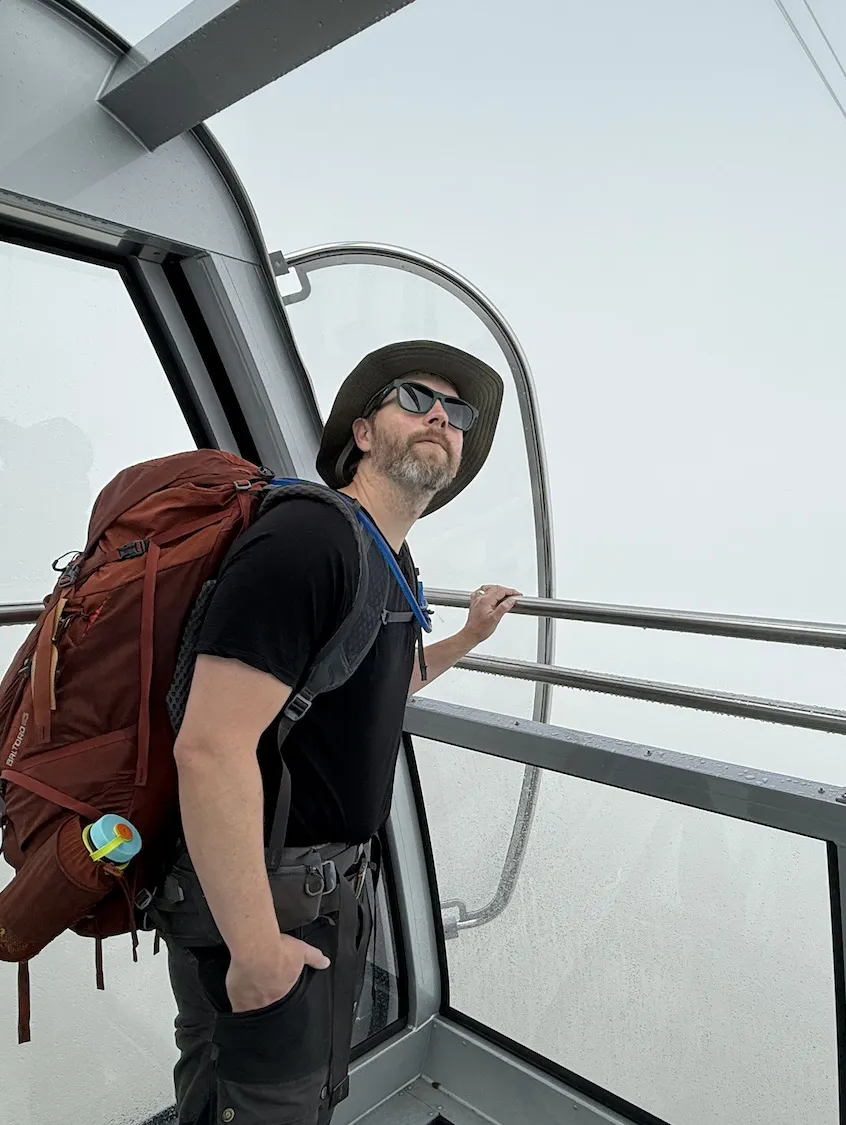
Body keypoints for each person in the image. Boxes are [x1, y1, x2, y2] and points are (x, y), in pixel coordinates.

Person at [161, 340, 521, 1125]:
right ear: (361, 433)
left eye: (457, 413)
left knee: (263, 1097)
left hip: (316, 896)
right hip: (260, 903)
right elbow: (211, 745)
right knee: (267, 1107)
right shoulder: (311, 543)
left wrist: (466, 637)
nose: (441, 416)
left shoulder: (388, 561)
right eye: (414, 397)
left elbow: (378, 683)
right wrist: (257, 955)